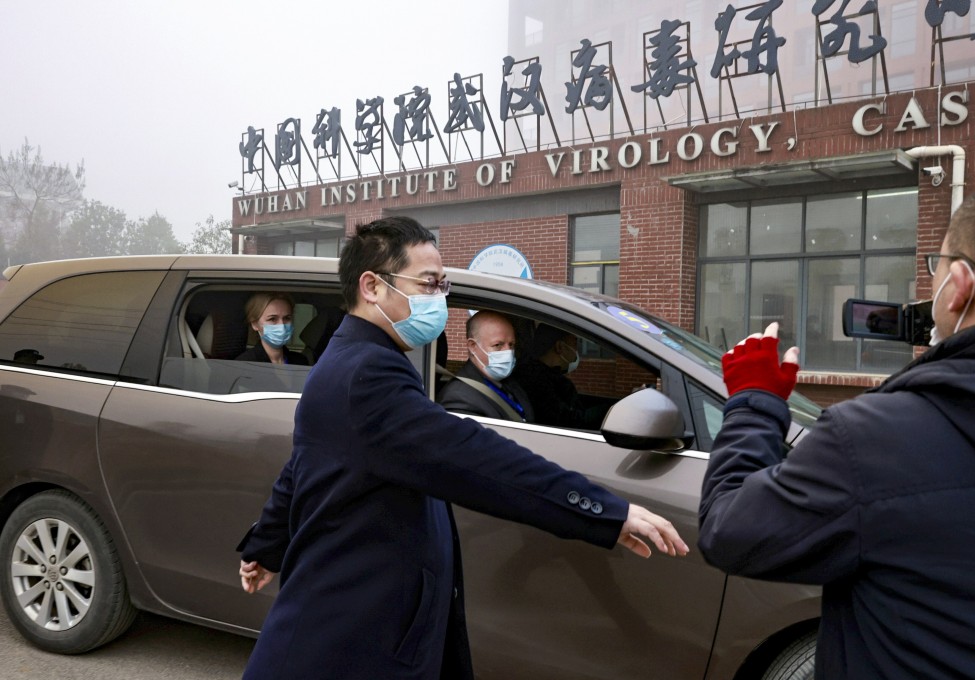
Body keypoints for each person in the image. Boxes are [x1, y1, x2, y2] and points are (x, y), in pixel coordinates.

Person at [237, 216, 688, 680]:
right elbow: (471, 455)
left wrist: (268, 545)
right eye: (428, 284)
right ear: (372, 286)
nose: (440, 299)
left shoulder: (354, 356)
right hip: (354, 629)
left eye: (442, 284)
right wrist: (604, 510)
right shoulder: (367, 374)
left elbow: (304, 461)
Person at [698, 172, 975, 678]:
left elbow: (729, 530)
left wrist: (753, 403)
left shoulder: (878, 440)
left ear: (959, 286)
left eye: (933, 269)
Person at [437, 310, 535, 421]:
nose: (508, 352)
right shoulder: (459, 398)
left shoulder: (510, 382)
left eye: (511, 345)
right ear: (473, 346)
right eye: (498, 345)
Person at [512, 323, 610, 429]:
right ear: (560, 347)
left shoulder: (546, 375)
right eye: (575, 344)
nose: (577, 351)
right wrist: (608, 410)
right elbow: (569, 421)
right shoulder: (536, 381)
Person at [235, 292, 309, 365]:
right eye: (272, 319)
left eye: (287, 318)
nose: (282, 325)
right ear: (255, 324)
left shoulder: (300, 361)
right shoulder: (245, 363)